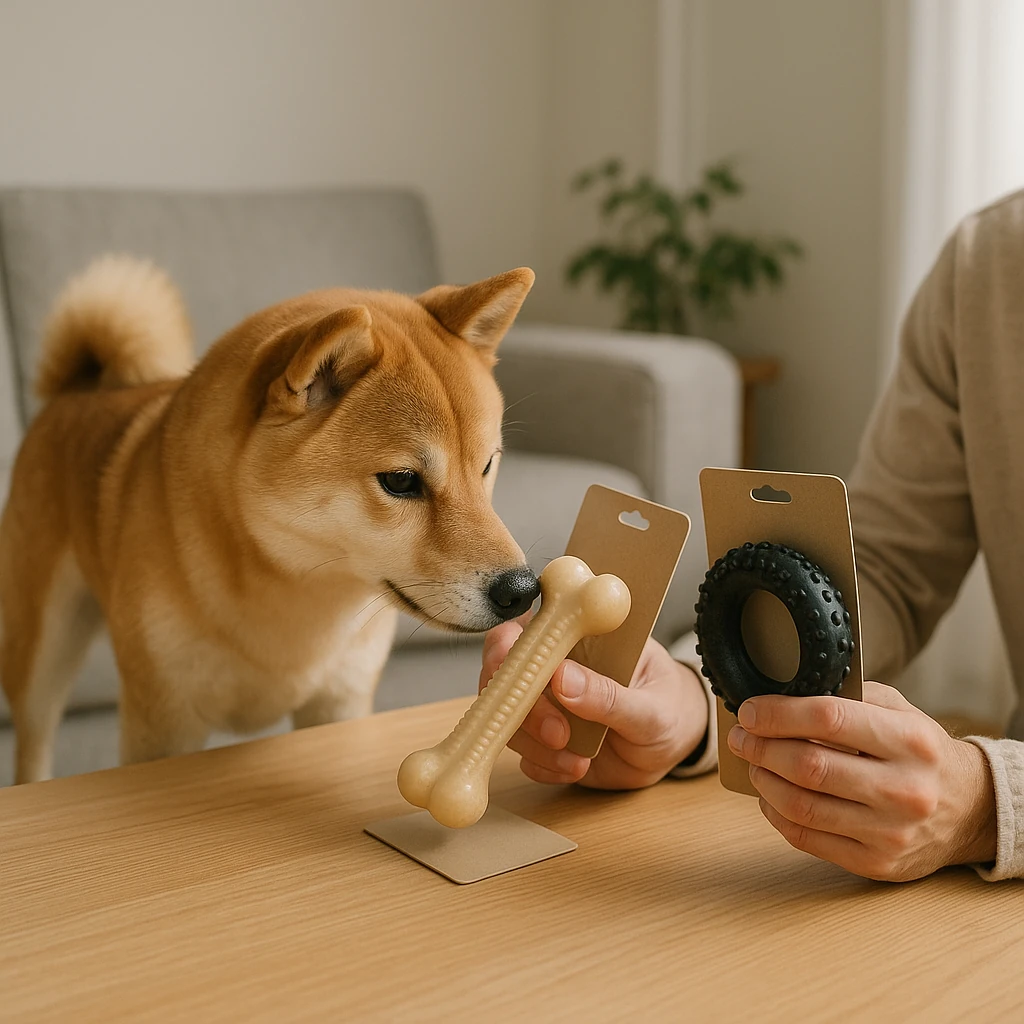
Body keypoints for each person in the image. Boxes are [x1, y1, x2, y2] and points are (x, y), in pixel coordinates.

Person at [480, 190, 1024, 883]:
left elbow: (989, 802)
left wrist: (991, 802)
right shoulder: (989, 262)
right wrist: (696, 702)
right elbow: (885, 568)